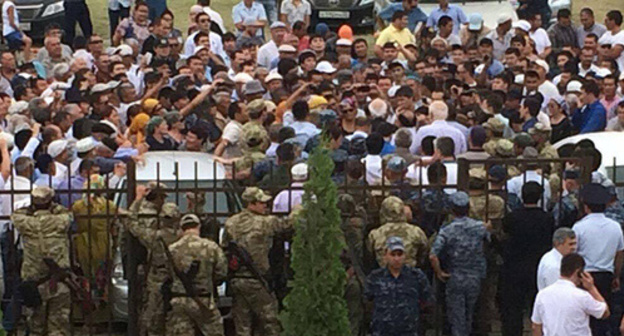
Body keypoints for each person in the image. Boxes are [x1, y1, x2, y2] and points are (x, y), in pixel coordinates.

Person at [221, 187, 292, 336]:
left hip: (237, 281)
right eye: (262, 203)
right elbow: (288, 224)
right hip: (257, 280)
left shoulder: (231, 223)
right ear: (251, 204)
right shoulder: (265, 222)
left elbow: (225, 249)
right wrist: (299, 210)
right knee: (271, 322)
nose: (266, 205)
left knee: (242, 325)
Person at [11, 186, 72, 336]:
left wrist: (32, 208)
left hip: (34, 282)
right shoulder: (61, 219)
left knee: (35, 328)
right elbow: (67, 213)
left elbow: (16, 214)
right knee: (59, 328)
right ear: (51, 202)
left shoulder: (24, 221)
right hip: (59, 282)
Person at [430, 191, 488, 336]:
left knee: (456, 318)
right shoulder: (480, 227)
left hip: (455, 277)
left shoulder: (447, 230)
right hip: (475, 276)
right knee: (470, 315)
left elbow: (433, 255)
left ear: (451, 209)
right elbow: (489, 241)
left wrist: (439, 272)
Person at [499, 182, 553, 336]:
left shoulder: (512, 217)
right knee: (538, 308)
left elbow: (504, 235)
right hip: (538, 268)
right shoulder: (546, 218)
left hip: (513, 268)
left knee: (513, 310)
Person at [163, 213, 228, 336]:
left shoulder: (172, 249)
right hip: (204, 299)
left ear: (182, 229)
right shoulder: (211, 247)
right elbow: (221, 272)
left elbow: (167, 273)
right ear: (199, 227)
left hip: (179, 300)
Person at [573, 183, 624, 335]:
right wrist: (616, 275)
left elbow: (574, 253)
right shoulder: (615, 227)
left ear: (586, 206)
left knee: (584, 317)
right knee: (603, 315)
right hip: (606, 275)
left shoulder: (579, 227)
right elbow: (620, 253)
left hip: (585, 276)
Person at [365, 236, 433, 336]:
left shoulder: (417, 276)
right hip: (382, 331)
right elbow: (367, 303)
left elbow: (427, 302)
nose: (396, 258)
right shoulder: (375, 277)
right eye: (393, 254)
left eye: (399, 254)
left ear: (404, 255)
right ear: (386, 255)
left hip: (409, 331)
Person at [531, 253, 610, 335]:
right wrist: (592, 288)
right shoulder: (581, 296)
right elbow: (605, 313)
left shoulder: (542, 295)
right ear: (579, 272)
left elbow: (536, 326)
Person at [368, 196, 429, 268]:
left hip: (383, 274)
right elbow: (424, 253)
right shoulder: (416, 231)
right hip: (411, 273)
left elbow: (369, 258)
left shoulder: (375, 234)